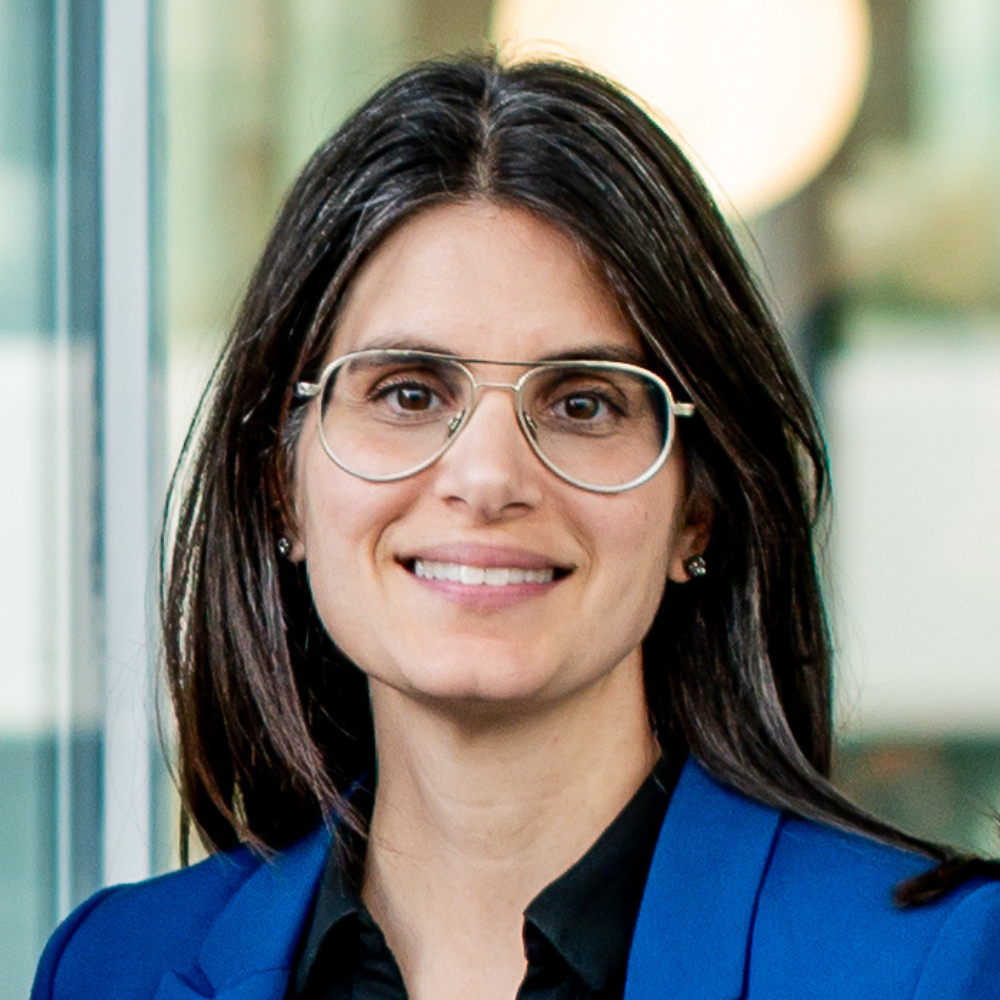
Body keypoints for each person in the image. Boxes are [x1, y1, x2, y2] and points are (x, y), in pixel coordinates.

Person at [32, 56, 1000, 1000]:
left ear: (694, 510)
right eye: (408, 392)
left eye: (583, 404)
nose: (488, 477)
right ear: (282, 488)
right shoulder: (112, 966)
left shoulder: (931, 967)